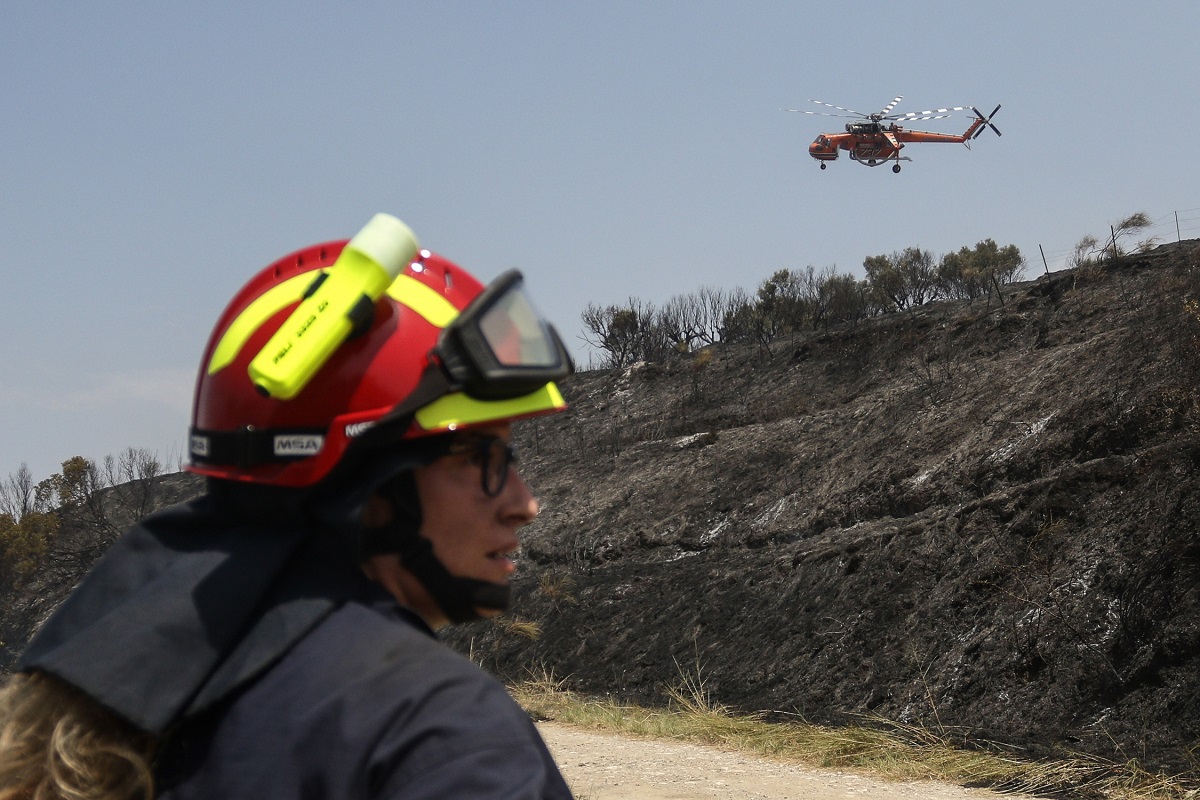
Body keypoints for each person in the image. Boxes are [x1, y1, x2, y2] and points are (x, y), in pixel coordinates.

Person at [0, 214, 576, 799]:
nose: (524, 503)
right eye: (478, 457)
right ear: (369, 486)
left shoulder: (95, 713)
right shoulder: (443, 736)